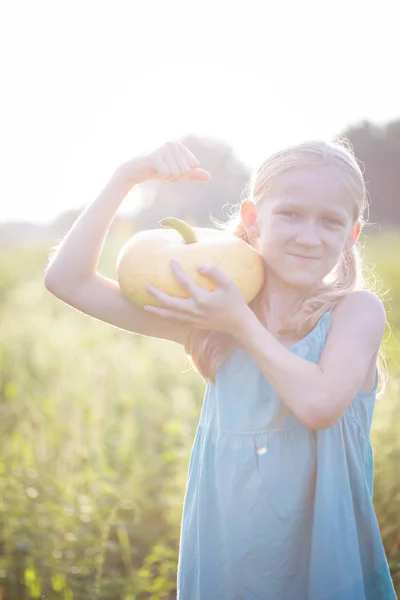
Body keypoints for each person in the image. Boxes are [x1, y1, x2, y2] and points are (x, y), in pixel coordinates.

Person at [44, 139, 397, 599]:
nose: (309, 236)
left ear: (351, 234)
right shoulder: (212, 317)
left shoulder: (354, 312)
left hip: (325, 558)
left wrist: (241, 324)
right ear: (252, 220)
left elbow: (319, 405)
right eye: (290, 214)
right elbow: (67, 280)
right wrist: (124, 178)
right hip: (231, 557)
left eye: (330, 221)